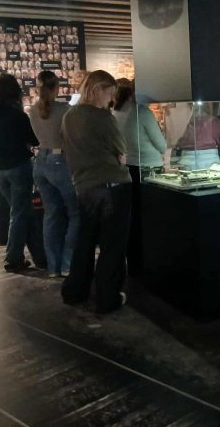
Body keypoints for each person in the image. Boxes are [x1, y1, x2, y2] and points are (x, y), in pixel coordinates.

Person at [61, 70, 132, 313]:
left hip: (84, 186)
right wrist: (119, 158)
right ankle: (107, 297)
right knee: (112, 245)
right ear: (97, 89)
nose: (111, 99)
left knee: (85, 242)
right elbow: (121, 149)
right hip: (112, 185)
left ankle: (75, 291)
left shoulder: (69, 116)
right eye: (110, 93)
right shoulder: (103, 117)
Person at [0, 73, 45, 272]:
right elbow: (34, 140)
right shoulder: (18, 116)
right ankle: (13, 258)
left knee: (24, 213)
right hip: (19, 168)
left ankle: (40, 257)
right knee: (19, 214)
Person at [28, 71, 80, 278]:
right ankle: (67, 264)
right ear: (56, 87)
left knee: (51, 215)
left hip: (40, 162)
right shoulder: (65, 109)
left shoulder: (33, 110)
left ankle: (53, 267)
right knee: (75, 213)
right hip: (59, 161)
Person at [113, 79, 167, 275]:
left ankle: (135, 262)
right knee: (151, 218)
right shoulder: (142, 112)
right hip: (149, 167)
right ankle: (152, 260)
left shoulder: (116, 112)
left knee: (134, 217)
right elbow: (161, 145)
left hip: (130, 166)